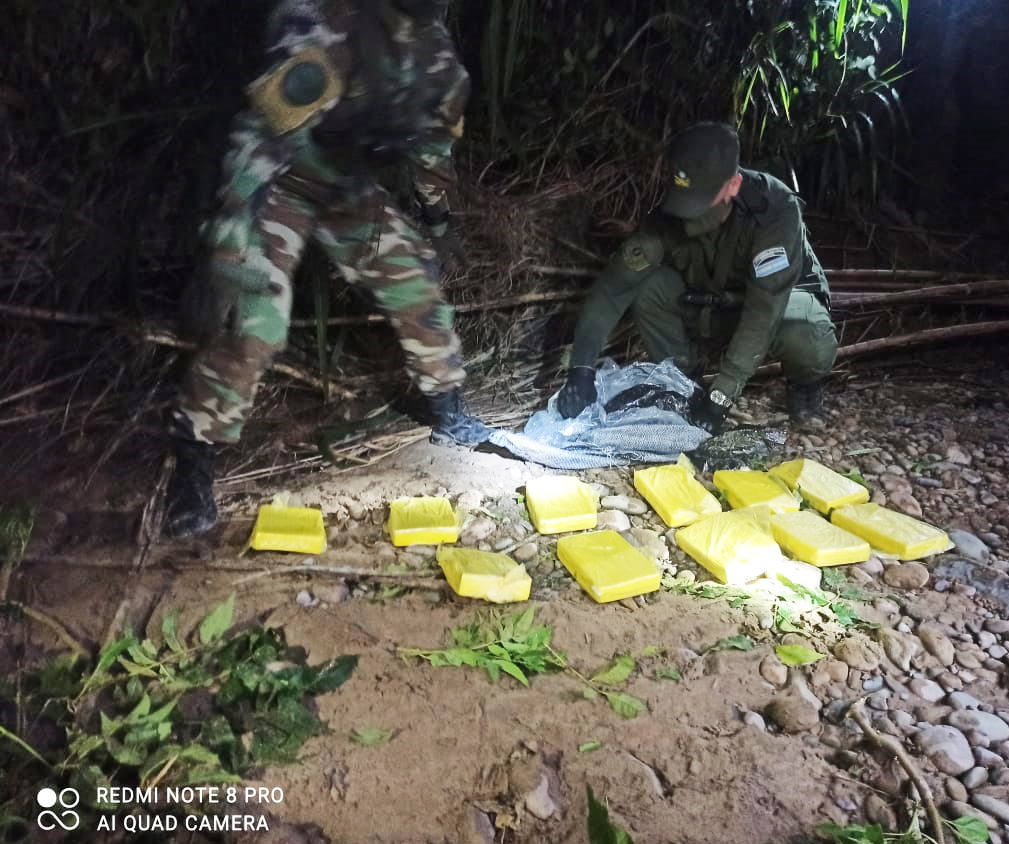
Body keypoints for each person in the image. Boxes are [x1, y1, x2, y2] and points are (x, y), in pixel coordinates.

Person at [165, 0, 489, 538]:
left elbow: (434, 144)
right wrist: (229, 240)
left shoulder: (437, 54)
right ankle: (195, 461)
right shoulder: (329, 24)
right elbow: (260, 135)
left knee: (417, 288)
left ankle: (448, 407)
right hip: (280, 180)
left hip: (348, 189)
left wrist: (435, 220)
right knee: (253, 322)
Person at [557, 122, 837, 433]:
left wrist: (722, 396)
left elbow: (764, 309)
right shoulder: (669, 216)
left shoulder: (774, 209)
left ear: (733, 185)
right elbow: (613, 289)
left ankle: (805, 386)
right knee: (650, 287)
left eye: (702, 201)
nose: (688, 214)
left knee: (806, 334)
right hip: (711, 304)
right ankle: (684, 383)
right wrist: (580, 370)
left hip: (774, 308)